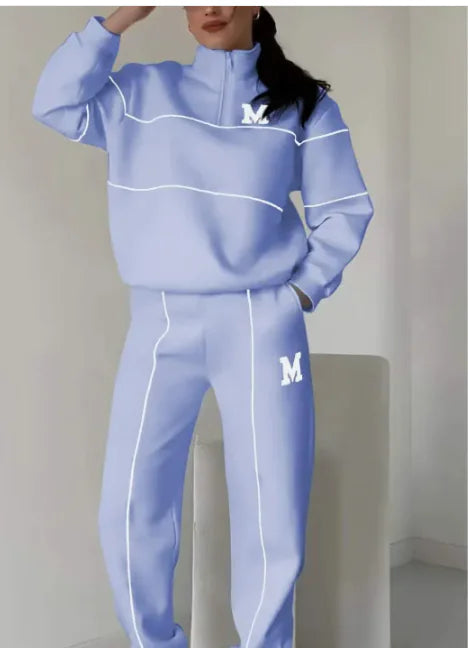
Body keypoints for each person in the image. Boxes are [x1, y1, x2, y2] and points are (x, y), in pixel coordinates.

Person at [32, 6, 374, 648]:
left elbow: (344, 208)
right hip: (160, 320)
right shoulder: (140, 92)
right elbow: (53, 102)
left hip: (262, 323)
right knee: (130, 504)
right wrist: (115, 21)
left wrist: (298, 293)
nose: (211, 7)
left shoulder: (302, 107)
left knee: (272, 510)